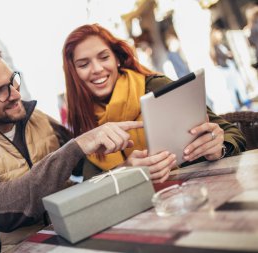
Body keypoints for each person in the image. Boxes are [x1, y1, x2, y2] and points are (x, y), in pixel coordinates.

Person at [0, 41, 143, 252]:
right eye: (0, 92)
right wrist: (76, 146)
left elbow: (83, 164)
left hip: (71, 233)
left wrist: (123, 167)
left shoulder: (35, 117)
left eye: (12, 81)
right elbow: (2, 212)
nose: (15, 94)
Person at [62, 24, 246, 182]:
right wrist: (125, 172)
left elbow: (231, 133)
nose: (97, 69)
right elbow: (91, 187)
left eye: (104, 57)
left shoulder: (154, 86)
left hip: (197, 192)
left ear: (117, 59)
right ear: (74, 73)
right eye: (84, 64)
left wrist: (218, 147)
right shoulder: (85, 121)